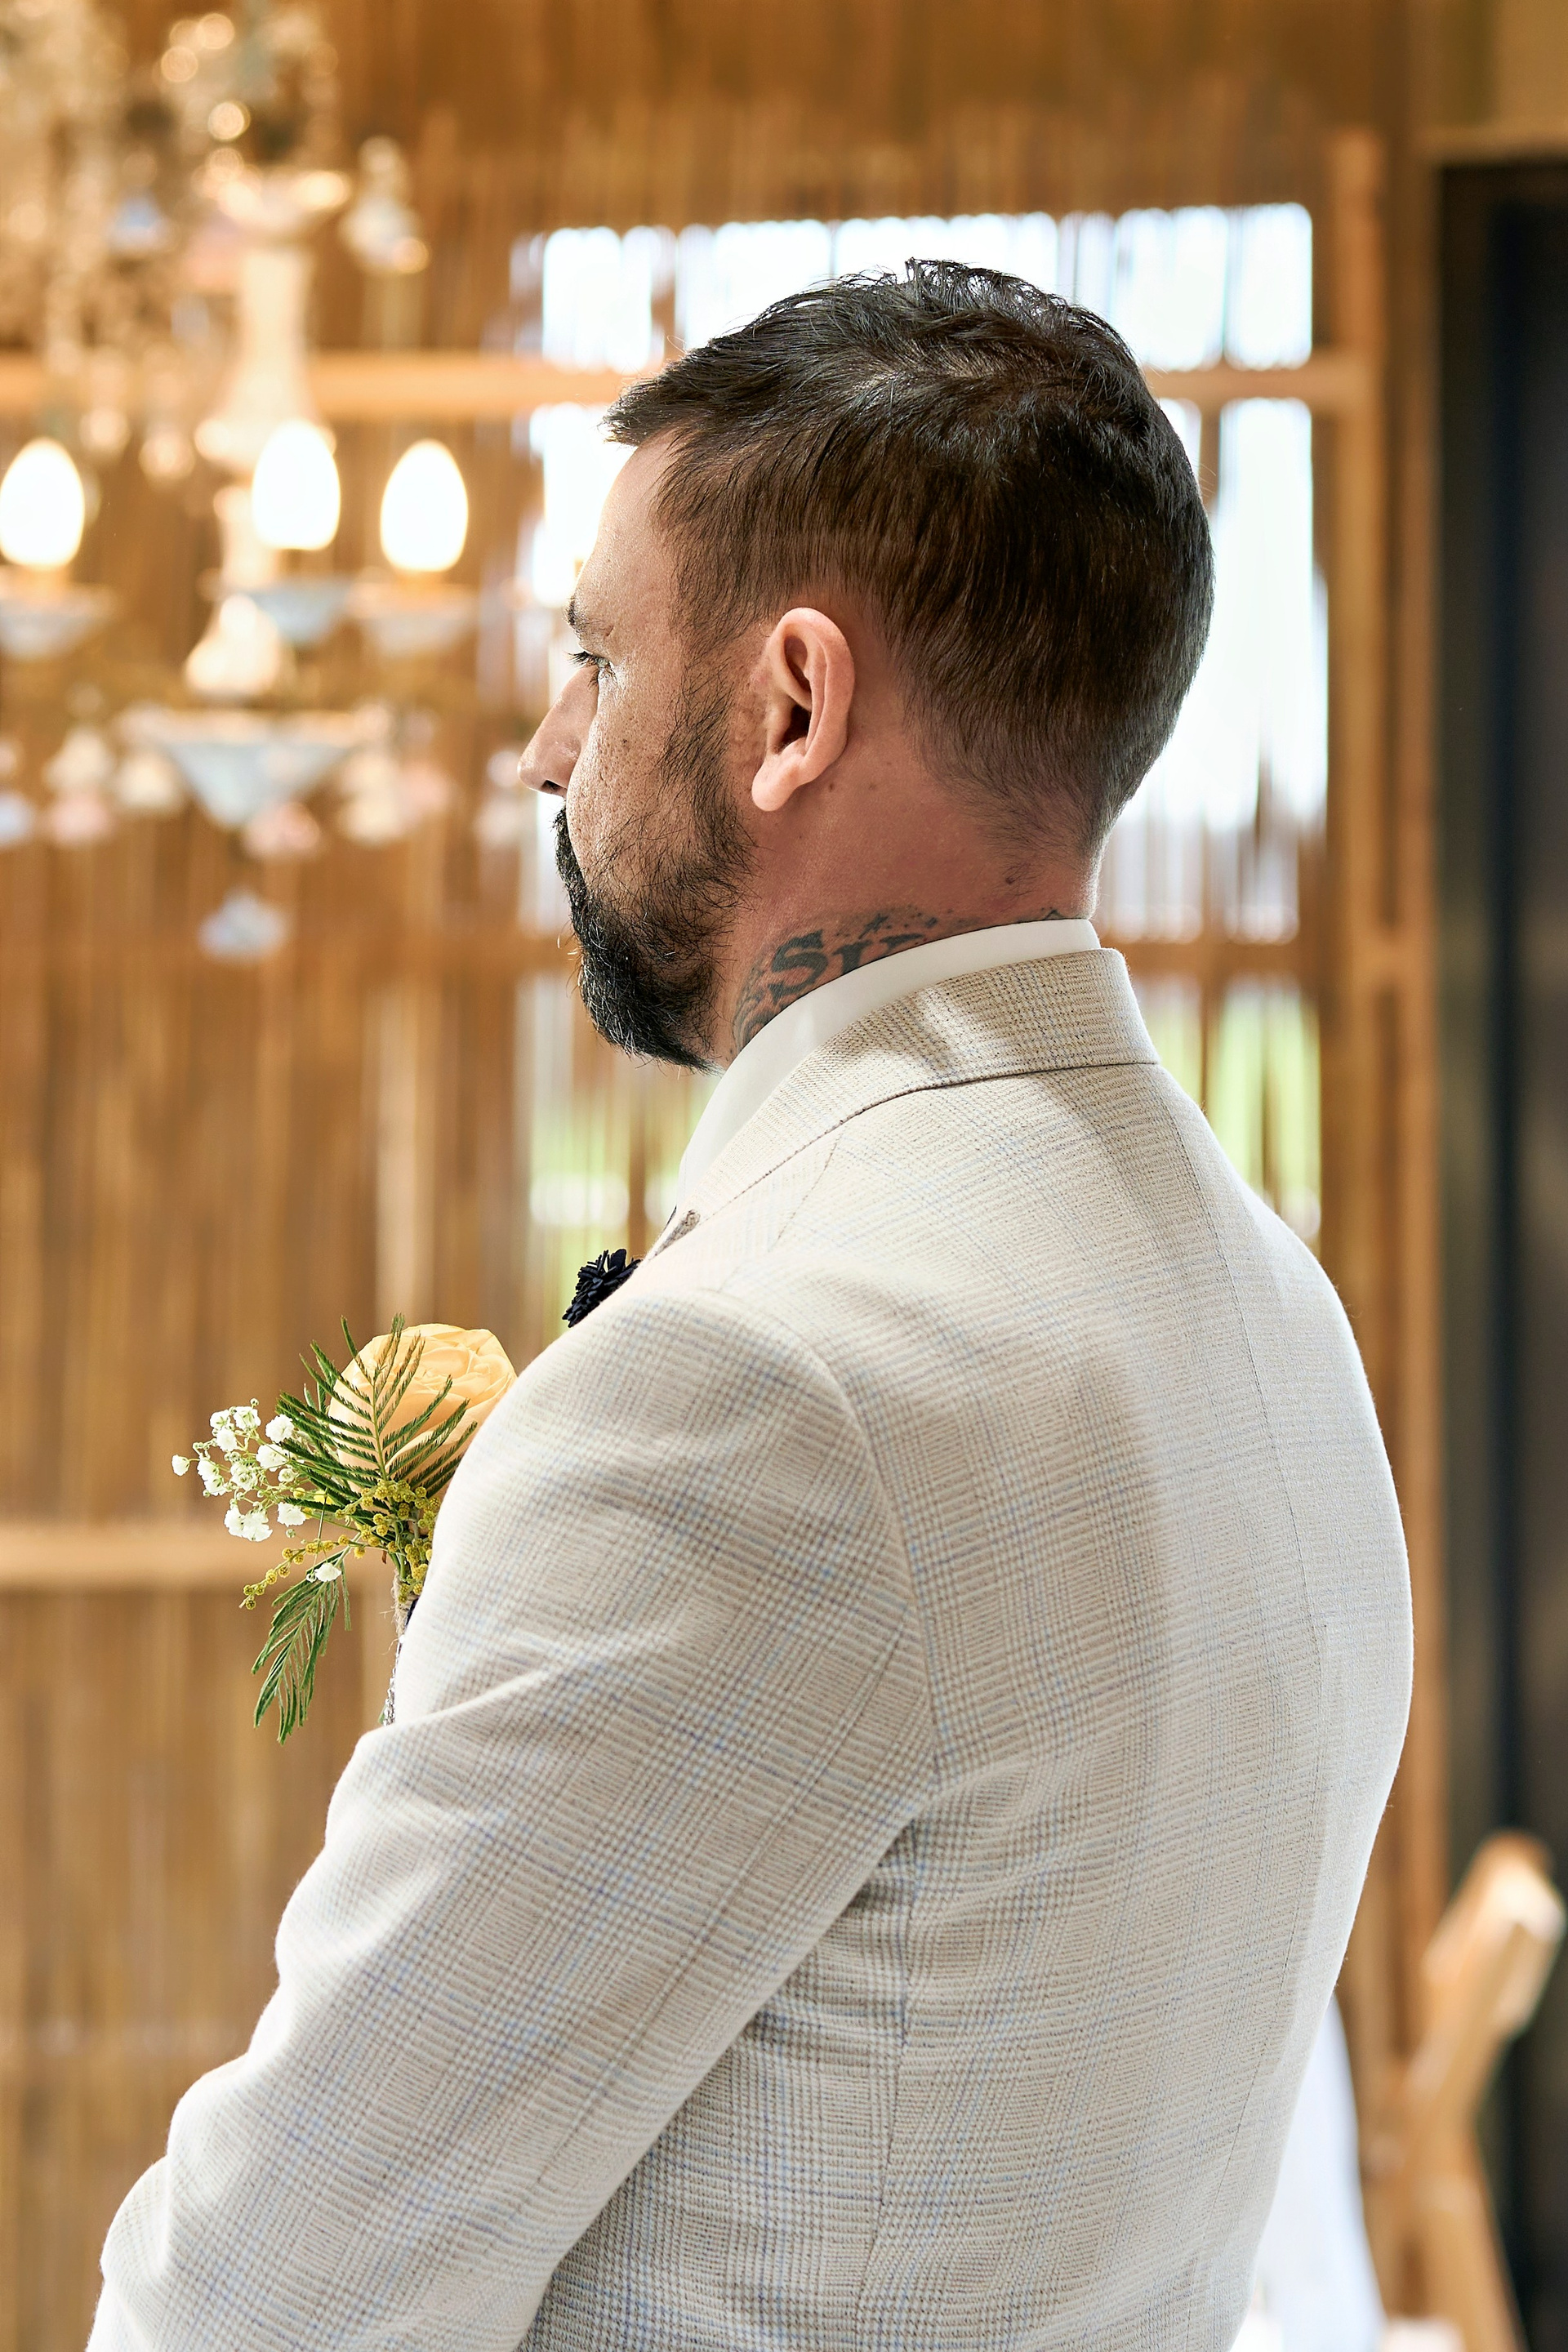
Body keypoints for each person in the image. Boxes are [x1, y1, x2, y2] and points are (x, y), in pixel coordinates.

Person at [90, 264, 1411, 2352]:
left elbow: (271, 2298)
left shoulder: (761, 1385)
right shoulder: (1278, 1316)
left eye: (595, 660)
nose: (547, 749)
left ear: (794, 707)